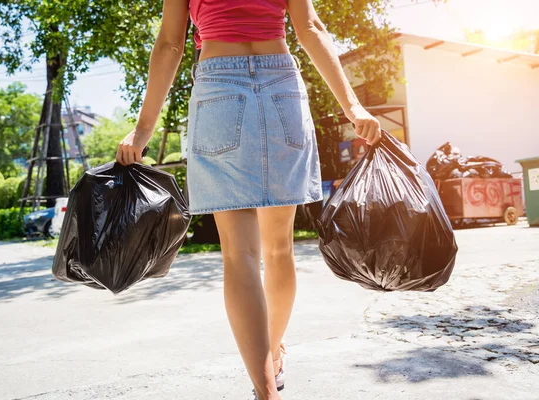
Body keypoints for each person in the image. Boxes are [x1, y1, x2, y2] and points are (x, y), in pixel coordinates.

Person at [116, 0, 382, 398]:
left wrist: (142, 130)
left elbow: (171, 44)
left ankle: (265, 391)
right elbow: (310, 28)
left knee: (240, 254)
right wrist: (353, 106)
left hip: (219, 86)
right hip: (282, 89)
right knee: (279, 249)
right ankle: (273, 354)